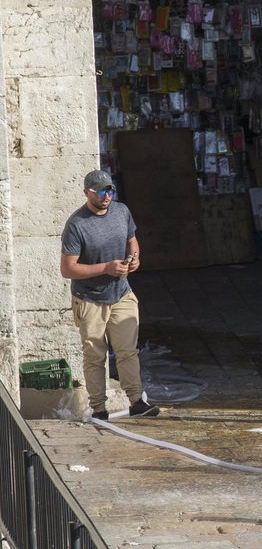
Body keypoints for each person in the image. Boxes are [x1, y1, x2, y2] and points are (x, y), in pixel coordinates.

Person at [60, 170, 159, 421]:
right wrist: (105, 268)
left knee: (128, 350)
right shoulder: (76, 225)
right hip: (90, 299)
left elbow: (132, 240)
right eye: (100, 191)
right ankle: (99, 409)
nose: (106, 196)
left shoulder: (121, 211)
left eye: (110, 190)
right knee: (95, 356)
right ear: (87, 193)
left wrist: (134, 258)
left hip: (121, 293)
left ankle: (137, 401)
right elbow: (67, 269)